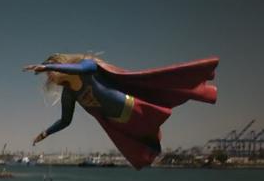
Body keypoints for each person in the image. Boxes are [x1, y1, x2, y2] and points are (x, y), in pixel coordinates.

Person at [24, 54, 218, 169]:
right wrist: (44, 134)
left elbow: (80, 68)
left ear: (60, 66)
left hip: (132, 106)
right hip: (118, 121)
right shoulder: (69, 94)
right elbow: (65, 120)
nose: (49, 77)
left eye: (50, 73)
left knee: (165, 100)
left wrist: (47, 65)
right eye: (48, 74)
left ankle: (201, 89)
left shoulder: (89, 67)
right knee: (147, 144)